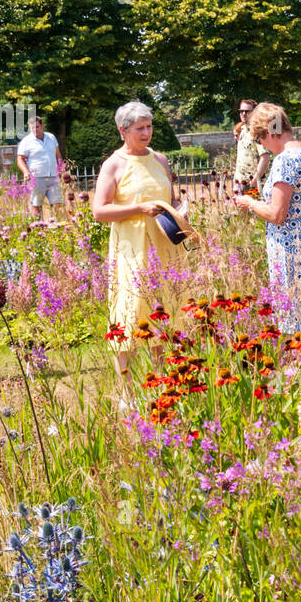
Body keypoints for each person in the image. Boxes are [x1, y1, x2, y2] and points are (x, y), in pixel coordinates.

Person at [92, 101, 187, 390]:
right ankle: (127, 391)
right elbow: (99, 211)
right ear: (123, 131)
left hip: (165, 245)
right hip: (132, 250)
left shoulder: (160, 160)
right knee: (130, 312)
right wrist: (139, 208)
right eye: (139, 128)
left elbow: (170, 200)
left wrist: (180, 210)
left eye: (149, 126)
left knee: (165, 311)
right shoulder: (114, 164)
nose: (146, 133)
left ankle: (165, 384)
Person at [233, 103, 301, 333]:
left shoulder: (285, 160)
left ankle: (297, 352)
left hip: (288, 243)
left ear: (270, 132)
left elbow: (277, 214)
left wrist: (250, 203)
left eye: (259, 139)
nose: (261, 145)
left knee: (291, 310)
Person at [16, 116, 63, 217]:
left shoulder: (51, 137)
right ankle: (38, 226)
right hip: (37, 178)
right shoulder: (26, 141)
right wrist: (25, 172)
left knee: (57, 205)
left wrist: (61, 169)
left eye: (37, 127)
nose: (34, 130)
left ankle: (57, 226)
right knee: (37, 206)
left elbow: (58, 155)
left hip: (53, 176)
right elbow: (20, 159)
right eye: (32, 128)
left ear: (42, 126)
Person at [232, 99, 270, 194]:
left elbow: (265, 157)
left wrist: (254, 182)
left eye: (247, 111)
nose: (243, 114)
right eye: (241, 111)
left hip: (253, 185)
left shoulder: (257, 132)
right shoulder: (243, 131)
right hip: (240, 184)